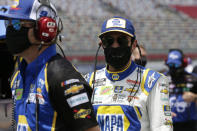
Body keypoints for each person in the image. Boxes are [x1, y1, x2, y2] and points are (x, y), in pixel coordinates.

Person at [0, 0, 100, 130]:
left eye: (18, 24)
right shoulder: (17, 76)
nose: (11, 30)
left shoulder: (62, 76)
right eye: (9, 23)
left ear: (44, 29)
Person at [85, 16, 173, 131]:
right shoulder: (88, 80)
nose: (115, 45)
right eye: (109, 40)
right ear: (102, 45)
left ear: (133, 44)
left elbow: (162, 127)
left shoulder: (153, 81)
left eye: (122, 40)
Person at [165, 49, 197, 131]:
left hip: (189, 125)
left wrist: (195, 97)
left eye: (175, 65)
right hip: (167, 124)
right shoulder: (161, 79)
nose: (173, 68)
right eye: (170, 65)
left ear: (184, 63)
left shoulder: (193, 79)